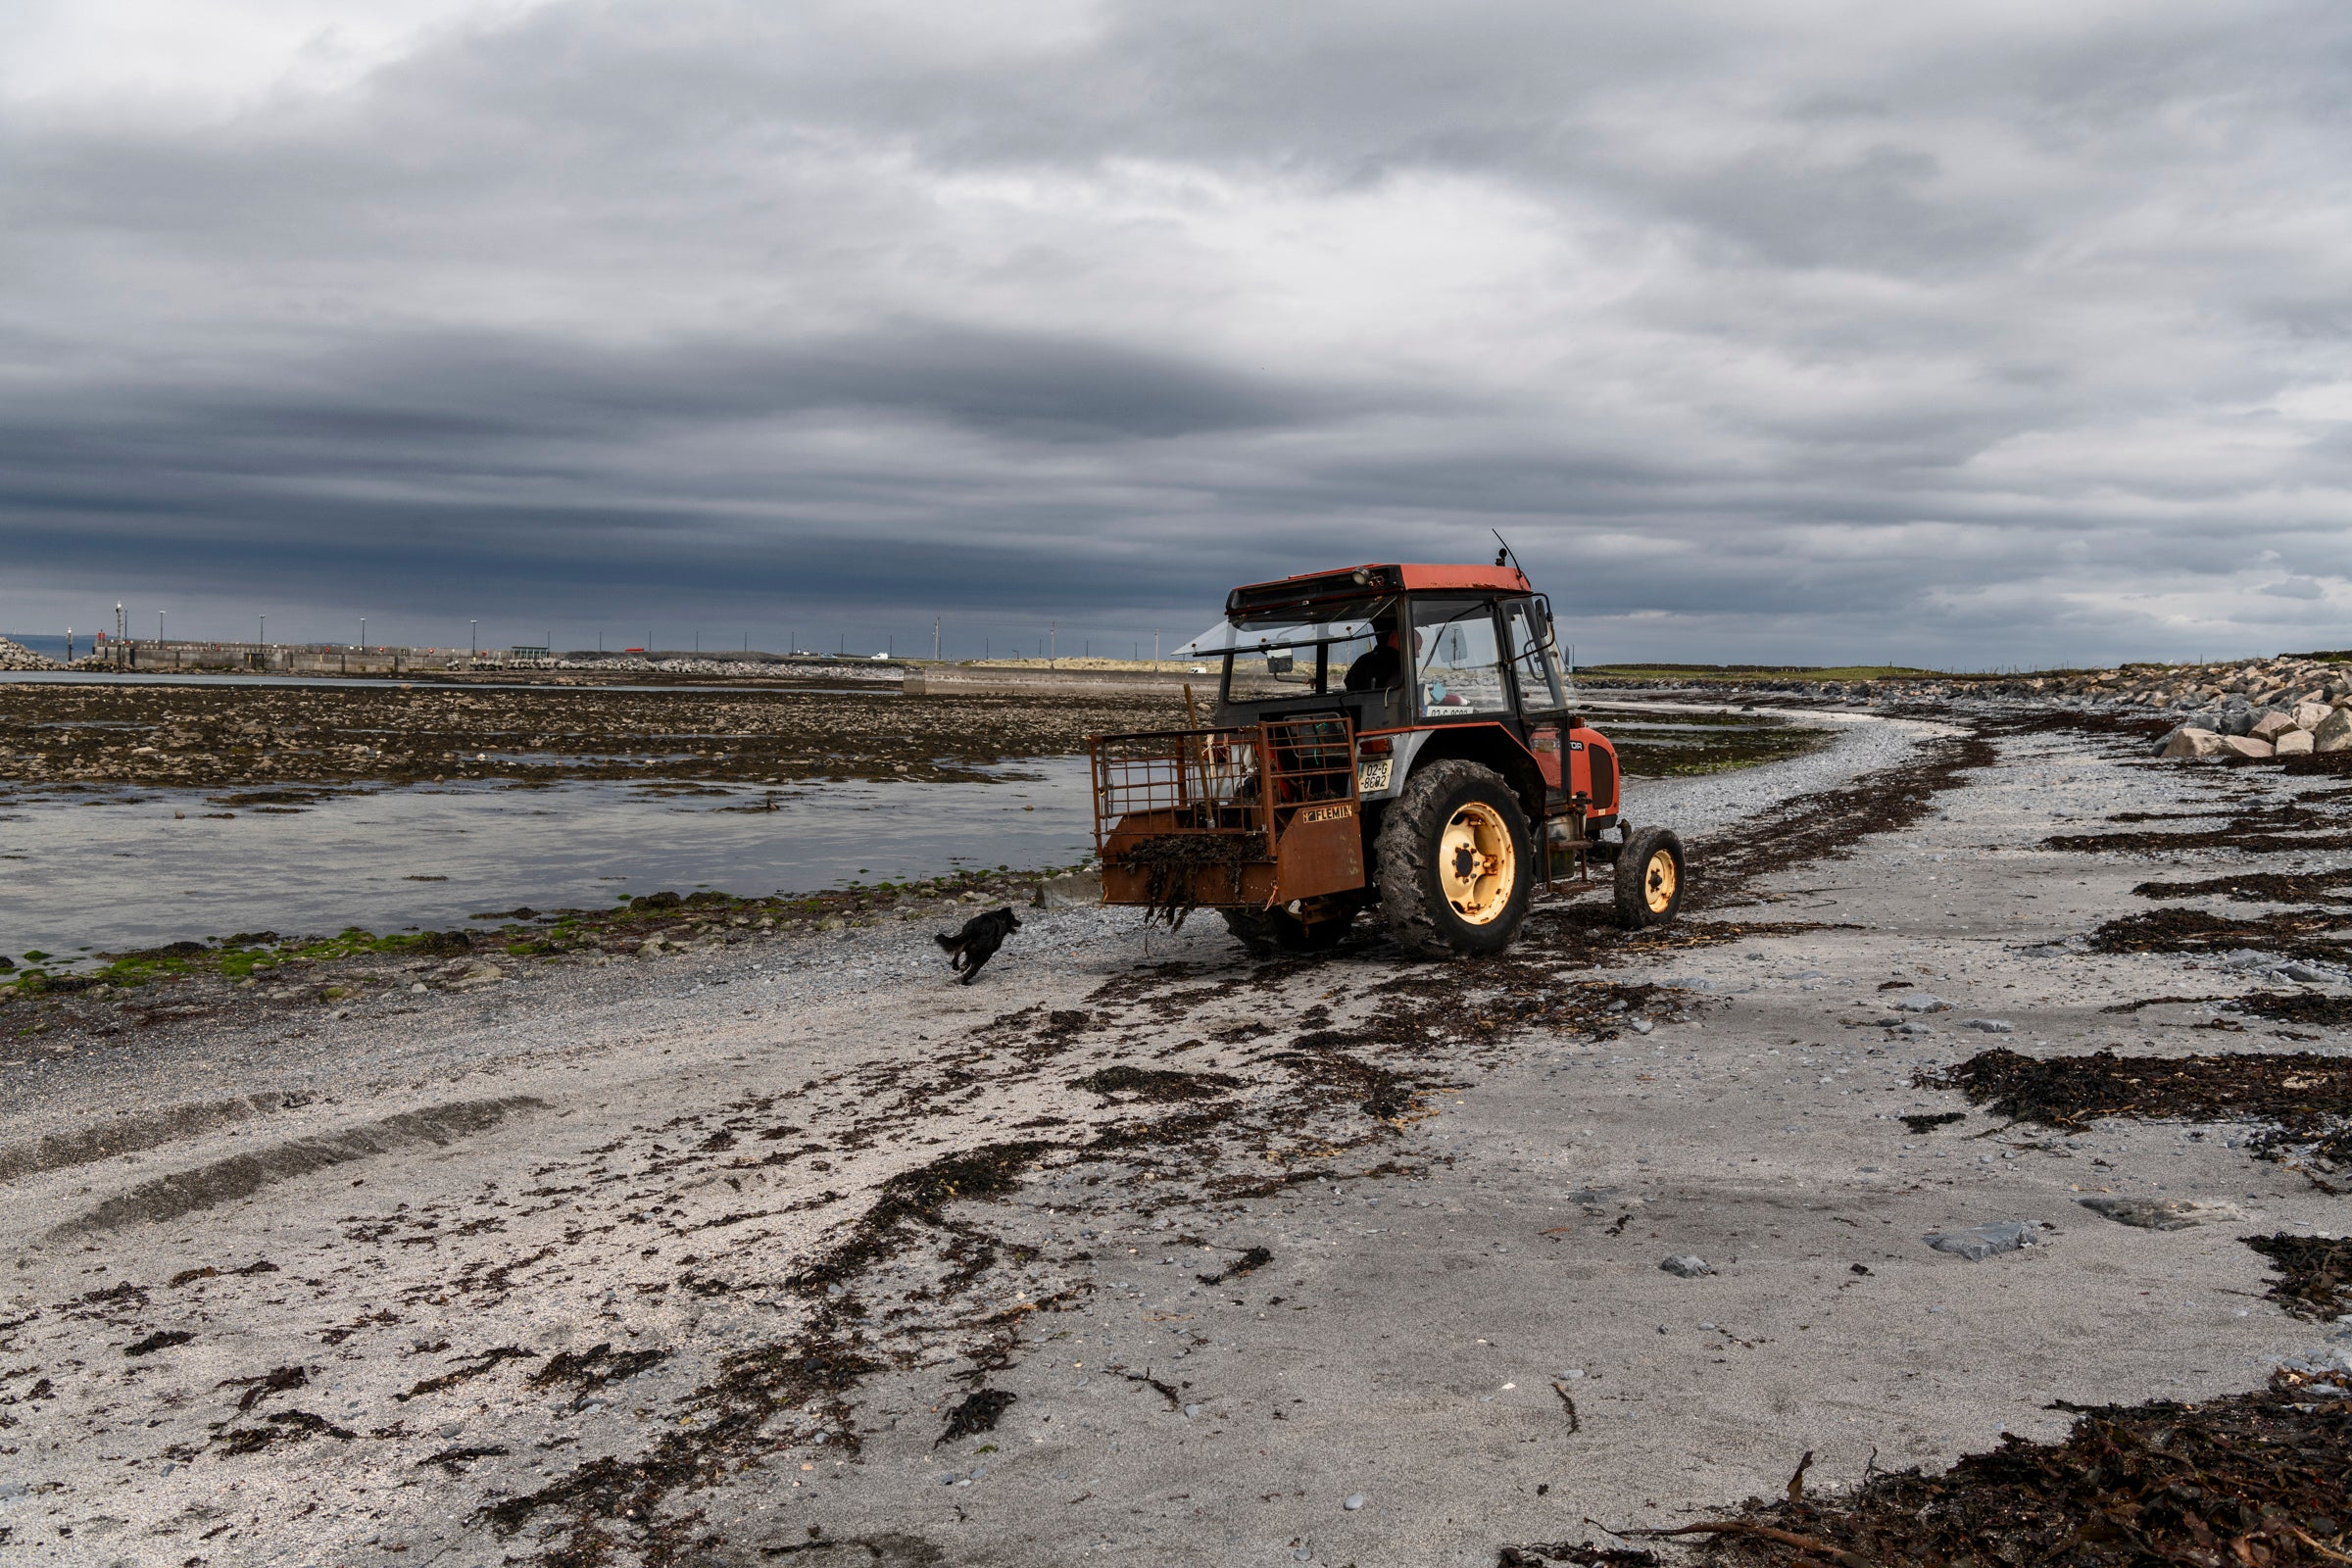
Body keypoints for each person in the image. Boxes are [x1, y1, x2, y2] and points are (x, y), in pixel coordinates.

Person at [1344, 626, 1404, 692]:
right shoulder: (1400, 663)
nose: (1417, 655)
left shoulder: (1362, 661)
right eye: (1415, 648)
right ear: (1394, 637)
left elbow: (1349, 684)